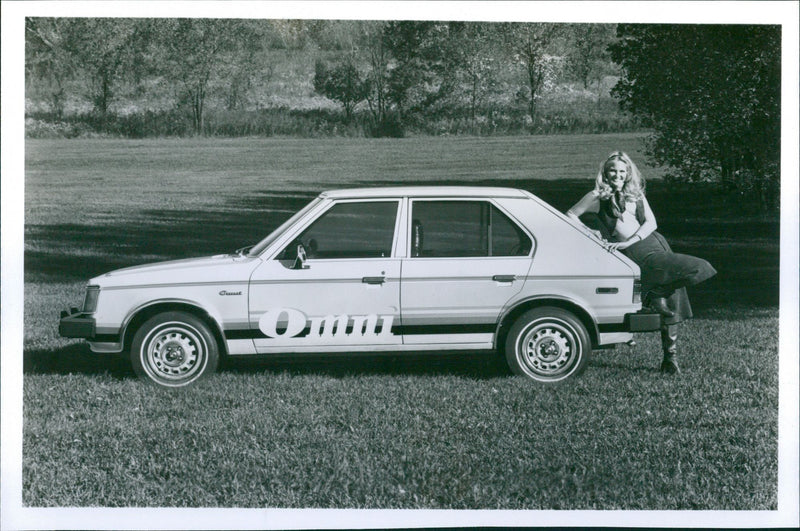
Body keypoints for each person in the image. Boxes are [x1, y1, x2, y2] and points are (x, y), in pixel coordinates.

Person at [566, 151, 716, 374]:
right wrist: (592, 233)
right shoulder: (597, 196)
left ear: (628, 174)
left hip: (655, 243)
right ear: (605, 173)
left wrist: (631, 240)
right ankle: (656, 292)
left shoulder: (635, 194)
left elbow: (651, 223)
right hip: (637, 253)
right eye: (612, 171)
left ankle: (670, 358)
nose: (617, 175)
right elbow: (569, 215)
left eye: (622, 171)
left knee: (676, 295)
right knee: (699, 267)